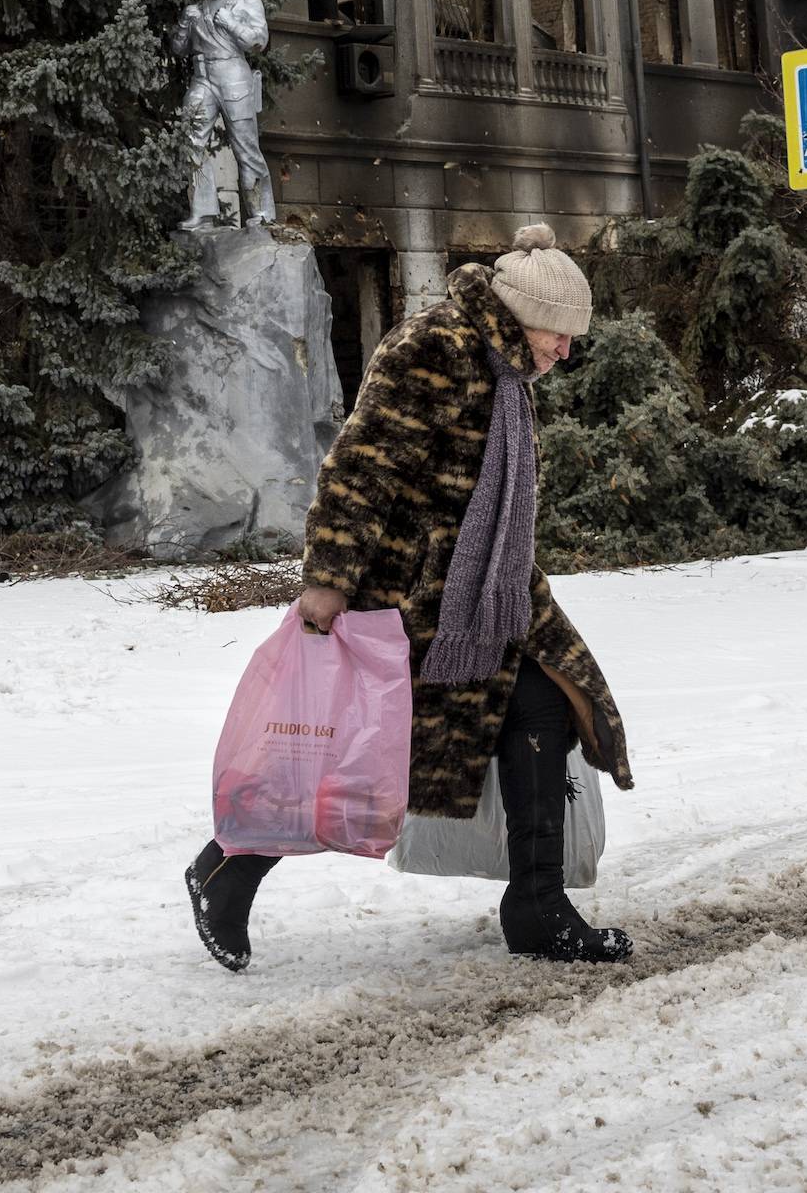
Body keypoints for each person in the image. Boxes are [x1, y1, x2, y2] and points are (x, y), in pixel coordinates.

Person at [185, 224, 634, 969]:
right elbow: (360, 468)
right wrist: (328, 581)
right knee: (349, 752)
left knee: (545, 703)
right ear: (522, 313)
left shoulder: (502, 367)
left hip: (487, 593)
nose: (566, 349)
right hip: (409, 600)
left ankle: (537, 904)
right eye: (560, 333)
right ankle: (224, 872)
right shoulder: (435, 349)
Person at [172, 0, 274, 229]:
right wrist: (184, 23)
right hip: (202, 77)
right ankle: (202, 211)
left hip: (233, 75)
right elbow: (179, 49)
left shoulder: (246, 1)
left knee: (246, 145)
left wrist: (231, 24)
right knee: (190, 141)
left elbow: (259, 41)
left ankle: (261, 213)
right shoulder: (198, 7)